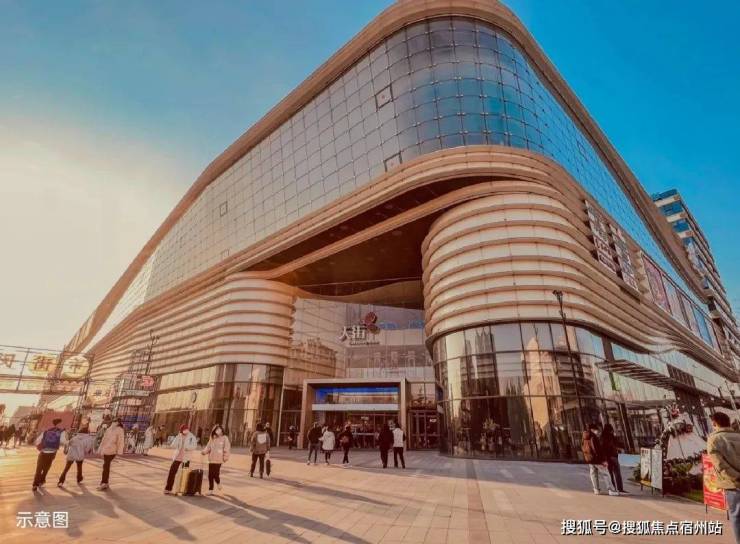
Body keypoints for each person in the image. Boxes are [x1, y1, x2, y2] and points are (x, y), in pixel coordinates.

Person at [707, 411, 740, 541]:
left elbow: (720, 465)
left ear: (714, 423)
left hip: (733, 484)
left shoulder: (714, 439)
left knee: (736, 516)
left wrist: (737, 476)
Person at [581, 422, 617, 496]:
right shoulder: (593, 437)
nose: (597, 431)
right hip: (597, 459)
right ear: (592, 429)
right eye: (596, 430)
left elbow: (582, 447)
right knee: (606, 473)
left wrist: (587, 456)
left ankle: (596, 489)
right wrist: (603, 460)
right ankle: (611, 490)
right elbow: (596, 449)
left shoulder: (584, 437)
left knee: (593, 474)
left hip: (590, 459)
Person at [32, 418, 67, 491]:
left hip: (43, 452)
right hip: (52, 453)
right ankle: (42, 480)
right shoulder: (61, 432)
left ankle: (35, 484)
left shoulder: (47, 431)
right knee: (46, 468)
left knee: (39, 469)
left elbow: (37, 441)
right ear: (59, 424)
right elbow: (63, 441)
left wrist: (40, 446)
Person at [164, 424, 198, 494]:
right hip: (177, 457)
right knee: (172, 472)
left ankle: (183, 489)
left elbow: (194, 446)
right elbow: (173, 444)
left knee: (185, 474)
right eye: (184, 429)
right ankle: (168, 488)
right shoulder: (179, 436)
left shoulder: (192, 436)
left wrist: (187, 448)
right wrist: (176, 444)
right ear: (181, 430)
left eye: (186, 429)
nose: (186, 430)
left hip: (186, 457)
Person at [201, 424, 231, 495]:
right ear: (214, 430)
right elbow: (208, 447)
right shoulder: (212, 437)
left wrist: (225, 457)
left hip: (219, 459)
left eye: (220, 429)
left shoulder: (224, 438)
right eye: (217, 429)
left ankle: (218, 483)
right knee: (210, 475)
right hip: (211, 459)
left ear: (222, 430)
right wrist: (204, 452)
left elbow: (227, 448)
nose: (218, 430)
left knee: (215, 474)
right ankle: (210, 490)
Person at [97, 418, 125, 490]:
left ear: (118, 422)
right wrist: (100, 449)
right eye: (114, 421)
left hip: (112, 450)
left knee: (106, 465)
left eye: (116, 421)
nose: (114, 422)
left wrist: (119, 451)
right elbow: (104, 439)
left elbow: (120, 441)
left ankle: (104, 483)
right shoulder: (109, 429)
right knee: (106, 466)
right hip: (106, 450)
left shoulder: (120, 430)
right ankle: (105, 483)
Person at [601, 423, 628, 495]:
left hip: (607, 457)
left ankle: (614, 489)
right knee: (617, 473)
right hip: (613, 456)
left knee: (610, 474)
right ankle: (620, 489)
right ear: (610, 429)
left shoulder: (602, 437)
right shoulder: (611, 436)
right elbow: (615, 445)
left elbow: (602, 448)